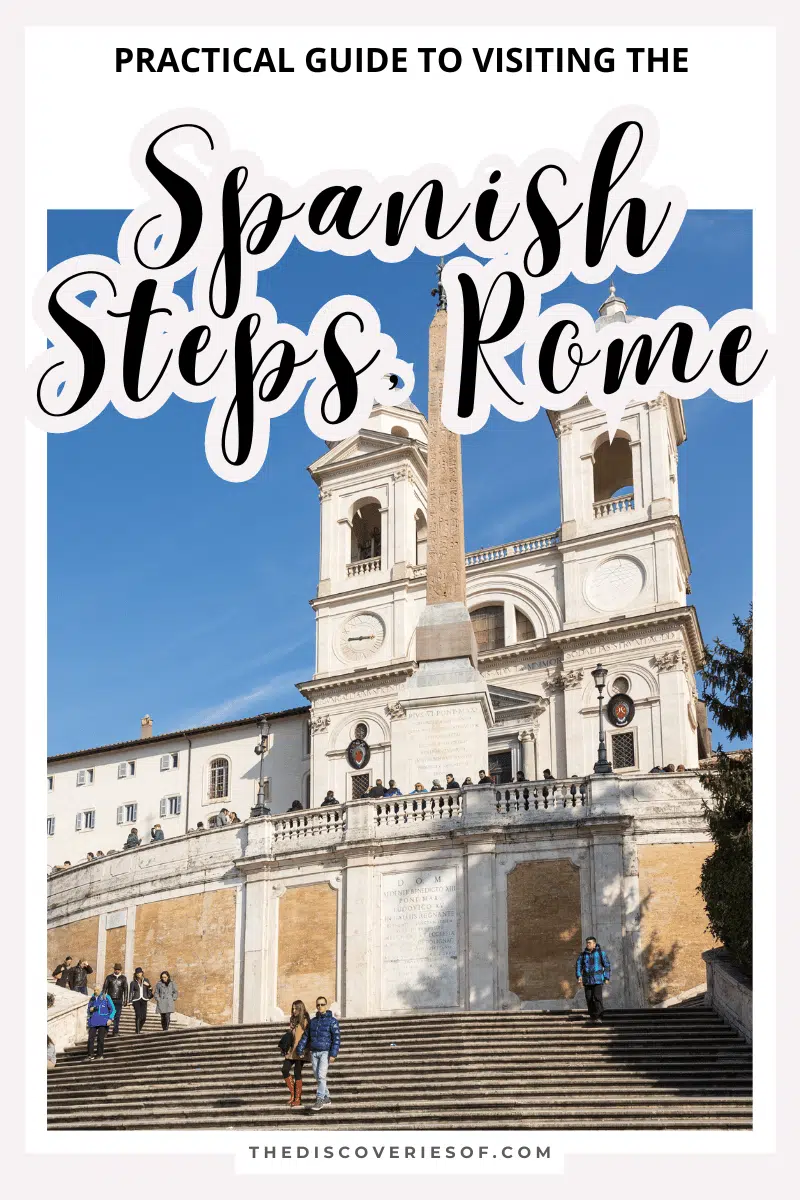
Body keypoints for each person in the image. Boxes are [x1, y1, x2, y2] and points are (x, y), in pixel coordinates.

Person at [298, 996, 341, 1112]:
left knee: (321, 1076)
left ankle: (320, 1098)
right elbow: (306, 1036)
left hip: (325, 1052)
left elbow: (336, 1038)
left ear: (326, 1006)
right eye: (318, 1005)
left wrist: (333, 1054)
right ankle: (327, 1097)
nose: (320, 1007)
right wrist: (300, 1048)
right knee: (318, 1077)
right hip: (314, 1052)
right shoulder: (313, 1022)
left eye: (322, 1004)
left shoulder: (332, 1021)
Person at [575, 936, 611, 1026]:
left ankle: (599, 1016)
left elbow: (607, 965)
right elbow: (578, 966)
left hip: (598, 979)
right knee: (589, 998)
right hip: (587, 980)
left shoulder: (601, 953)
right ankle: (593, 1017)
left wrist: (606, 977)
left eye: (590, 943)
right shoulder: (583, 955)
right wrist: (579, 976)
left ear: (594, 944)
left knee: (597, 997)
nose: (588, 944)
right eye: (587, 943)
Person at [282, 999, 311, 1109]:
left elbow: (308, 1037)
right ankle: (293, 1094)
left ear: (300, 1008)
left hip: (300, 1050)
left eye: (296, 1008)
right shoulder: (293, 1020)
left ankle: (298, 1099)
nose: (294, 1010)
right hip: (291, 1051)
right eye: (293, 1008)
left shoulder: (305, 1020)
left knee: (297, 1072)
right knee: (285, 1069)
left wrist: (305, 1049)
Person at [86, 985, 116, 1060]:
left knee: (100, 1038)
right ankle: (90, 1055)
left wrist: (110, 1019)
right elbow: (88, 1010)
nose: (95, 992)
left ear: (101, 990)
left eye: (97, 990)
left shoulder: (106, 997)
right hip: (93, 1021)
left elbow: (113, 1009)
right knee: (90, 1038)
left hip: (103, 1021)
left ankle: (100, 1055)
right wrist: (90, 1010)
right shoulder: (92, 999)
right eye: (94, 990)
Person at [102, 963, 128, 1037]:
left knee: (117, 1016)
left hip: (119, 1000)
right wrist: (103, 997)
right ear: (114, 969)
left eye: (118, 969)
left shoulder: (123, 978)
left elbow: (126, 989)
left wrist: (126, 999)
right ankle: (105, 1031)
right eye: (116, 969)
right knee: (107, 1015)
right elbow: (104, 988)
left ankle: (115, 1031)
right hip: (110, 999)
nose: (117, 971)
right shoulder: (109, 977)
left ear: (120, 970)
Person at [129, 967, 153, 1034]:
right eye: (137, 973)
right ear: (135, 974)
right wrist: (130, 1003)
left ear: (142, 973)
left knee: (144, 1017)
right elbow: (131, 992)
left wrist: (149, 985)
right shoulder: (133, 982)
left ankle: (138, 1029)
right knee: (138, 1015)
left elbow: (150, 989)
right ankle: (138, 1032)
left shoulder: (146, 980)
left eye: (140, 972)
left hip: (144, 999)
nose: (139, 974)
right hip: (136, 1000)